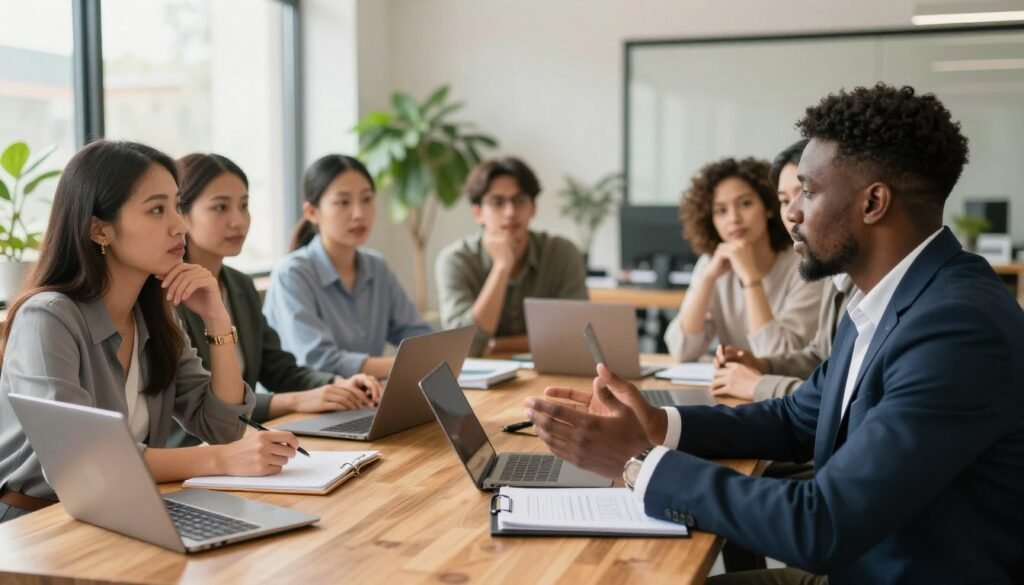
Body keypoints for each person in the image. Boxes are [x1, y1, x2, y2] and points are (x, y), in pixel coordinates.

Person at [525, 83, 1024, 584]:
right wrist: (658, 424)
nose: (791, 213)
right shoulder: (884, 298)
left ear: (873, 203)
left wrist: (637, 461)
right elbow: (796, 418)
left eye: (807, 191)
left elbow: (821, 523)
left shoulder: (955, 328)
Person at [0, 140, 300, 524]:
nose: (180, 225)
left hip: (125, 510)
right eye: (157, 210)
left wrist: (217, 320)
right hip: (36, 526)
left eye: (177, 206)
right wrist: (219, 459)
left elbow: (223, 427)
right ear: (99, 229)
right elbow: (79, 462)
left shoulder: (154, 315)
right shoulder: (48, 318)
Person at [171, 153, 382, 443]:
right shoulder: (167, 294)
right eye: (220, 207)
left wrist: (338, 385)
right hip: (194, 450)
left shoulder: (240, 285)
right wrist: (295, 401)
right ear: (181, 215)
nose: (238, 220)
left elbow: (279, 369)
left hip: (242, 439)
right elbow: (200, 399)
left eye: (244, 206)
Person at [710, 140, 857, 402]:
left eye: (806, 193)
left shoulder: (817, 269)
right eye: (783, 200)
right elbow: (820, 357)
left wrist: (760, 385)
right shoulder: (837, 275)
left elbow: (843, 402)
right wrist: (764, 365)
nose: (790, 213)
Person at [263, 154, 431, 379]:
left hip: (364, 399)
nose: (359, 214)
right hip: (310, 404)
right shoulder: (292, 274)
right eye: (343, 202)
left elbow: (418, 336)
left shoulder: (376, 267)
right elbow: (318, 360)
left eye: (366, 199)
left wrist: (428, 356)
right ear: (312, 212)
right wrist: (406, 365)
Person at [665, 157, 822, 362]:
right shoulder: (711, 264)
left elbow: (779, 357)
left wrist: (751, 280)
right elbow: (681, 351)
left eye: (745, 204)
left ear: (767, 206)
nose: (734, 219)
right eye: (721, 211)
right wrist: (707, 279)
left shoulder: (805, 264)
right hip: (732, 388)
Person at [436, 157, 588, 356]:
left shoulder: (562, 253)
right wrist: (501, 266)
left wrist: (499, 345)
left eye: (520, 201)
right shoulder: (455, 260)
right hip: (480, 383)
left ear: (533, 208)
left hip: (550, 376)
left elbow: (577, 335)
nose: (510, 212)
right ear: (477, 213)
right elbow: (465, 347)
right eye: (497, 202)